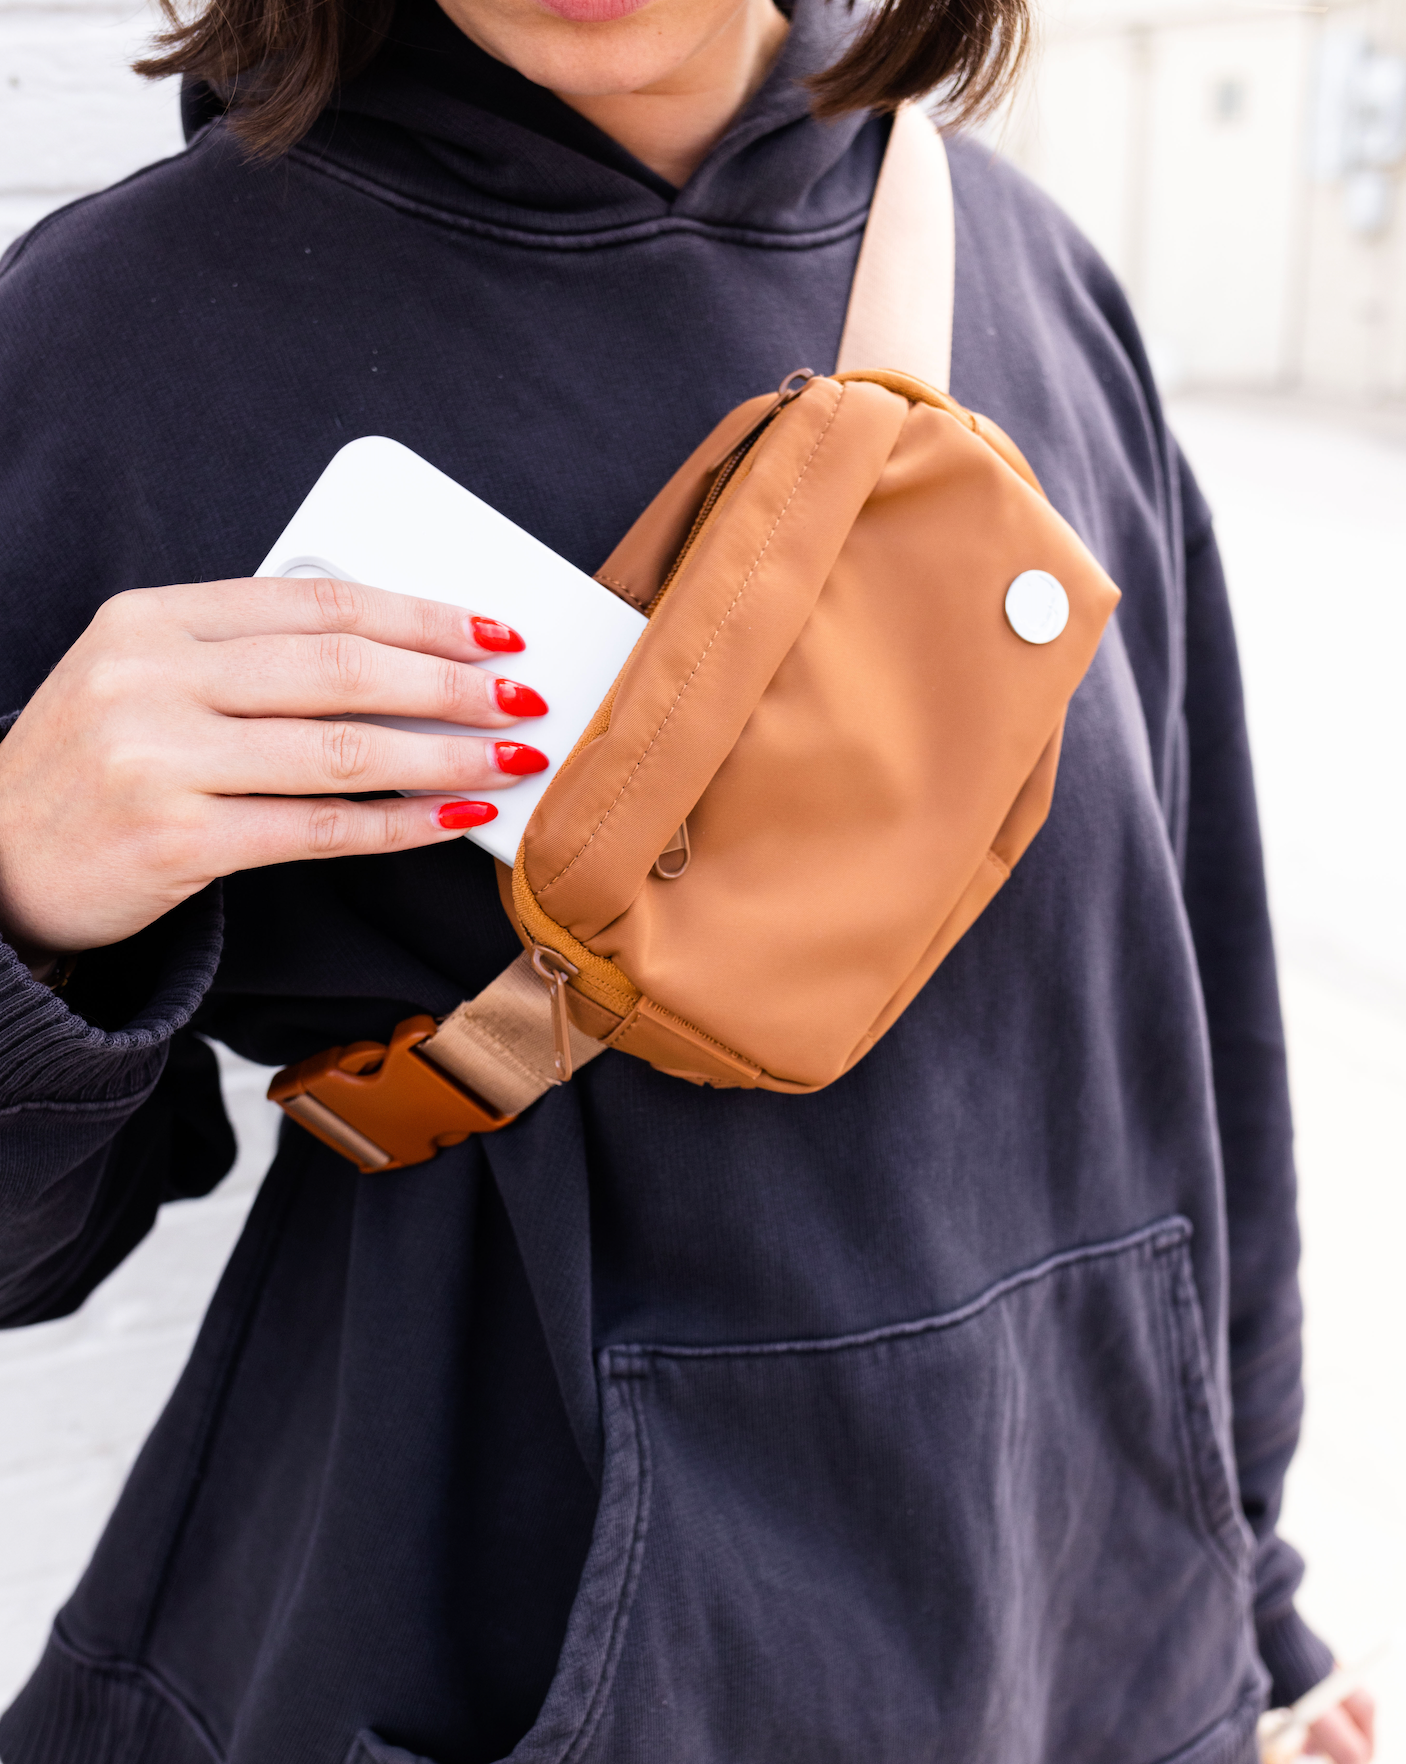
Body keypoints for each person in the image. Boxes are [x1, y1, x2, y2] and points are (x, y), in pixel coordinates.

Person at [0, 0, 1379, 1752]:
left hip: (1088, 1646)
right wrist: (24, 893)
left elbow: (1181, 1024)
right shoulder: (132, 342)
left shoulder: (1023, 275)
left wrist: (1246, 1600)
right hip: (514, 1667)